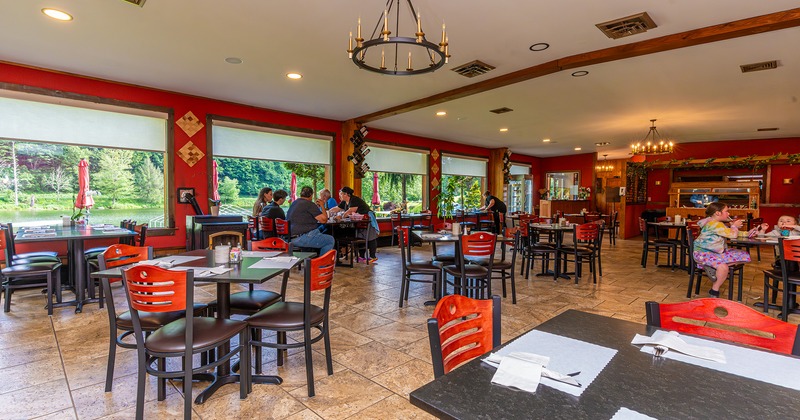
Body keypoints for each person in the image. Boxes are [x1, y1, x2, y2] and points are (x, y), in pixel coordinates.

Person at [693, 202, 751, 297]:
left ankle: (710, 266)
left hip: (714, 252)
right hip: (703, 253)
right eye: (726, 211)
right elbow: (732, 234)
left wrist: (748, 233)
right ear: (717, 213)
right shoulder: (714, 224)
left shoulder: (717, 223)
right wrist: (734, 226)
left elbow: (729, 232)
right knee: (723, 267)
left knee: (743, 255)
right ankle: (714, 290)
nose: (728, 214)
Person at [330, 186, 378, 263]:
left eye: (341, 194)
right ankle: (361, 256)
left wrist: (341, 216)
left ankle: (373, 256)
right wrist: (328, 212)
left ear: (346, 194)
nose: (339, 196)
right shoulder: (344, 202)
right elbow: (337, 208)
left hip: (366, 219)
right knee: (359, 236)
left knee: (370, 237)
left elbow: (350, 211)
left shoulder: (354, 200)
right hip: (357, 222)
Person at [286, 186, 335, 255]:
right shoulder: (309, 204)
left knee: (319, 233)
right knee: (330, 240)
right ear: (311, 195)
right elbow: (324, 220)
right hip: (302, 237)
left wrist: (316, 208)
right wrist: (322, 206)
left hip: (289, 238)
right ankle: (322, 264)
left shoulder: (295, 203)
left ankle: (312, 260)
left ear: (301, 194)